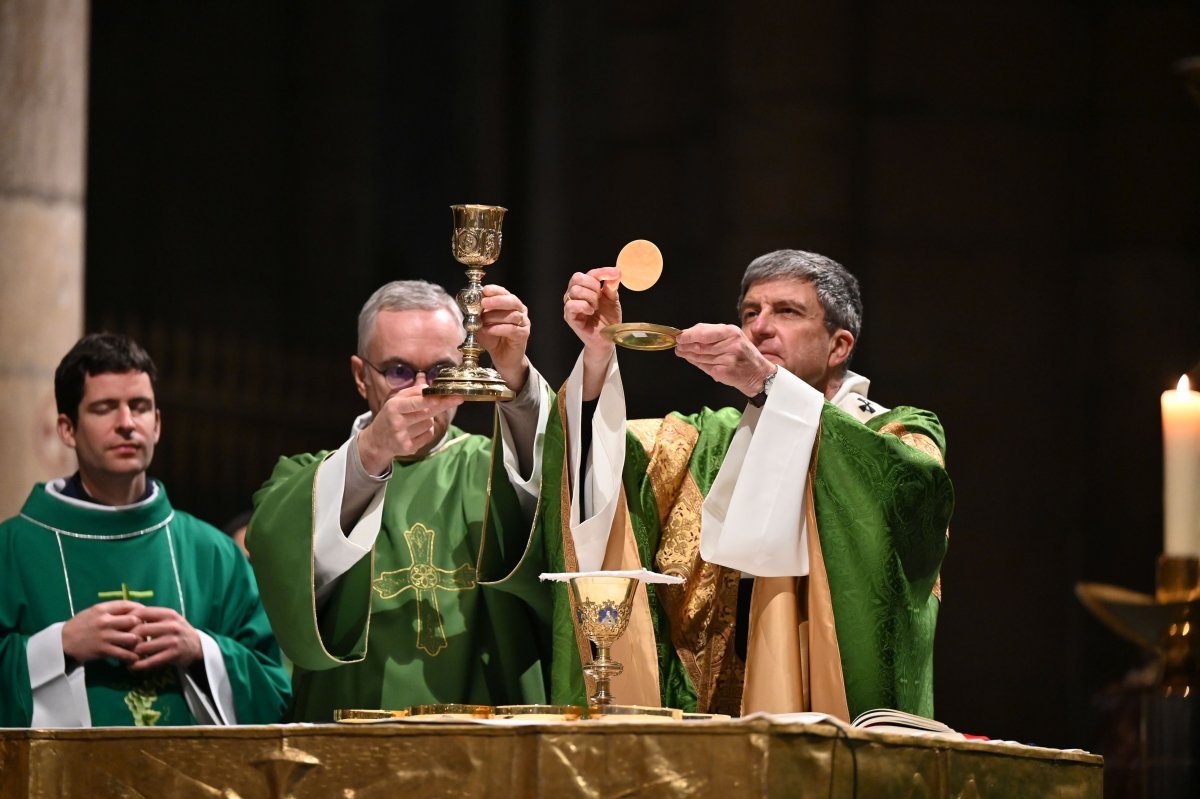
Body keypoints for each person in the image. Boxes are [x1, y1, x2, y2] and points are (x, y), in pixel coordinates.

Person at [544, 249, 954, 720]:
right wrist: (599, 353)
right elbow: (603, 460)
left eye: (787, 311)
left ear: (839, 345)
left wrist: (768, 384)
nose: (759, 327)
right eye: (750, 313)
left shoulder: (895, 432)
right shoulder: (705, 439)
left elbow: (911, 499)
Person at [248, 280, 553, 721]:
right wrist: (370, 453)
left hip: (482, 753)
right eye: (398, 372)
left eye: (441, 372)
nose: (423, 390)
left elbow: (565, 510)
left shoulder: (495, 471)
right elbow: (280, 556)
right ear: (360, 376)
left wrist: (516, 377)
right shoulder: (306, 478)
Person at [0, 333, 291, 727]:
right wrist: (61, 646)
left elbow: (276, 693)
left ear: (156, 424)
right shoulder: (13, 549)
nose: (126, 424)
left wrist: (200, 649)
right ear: (68, 429)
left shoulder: (213, 554)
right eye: (105, 408)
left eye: (139, 407)